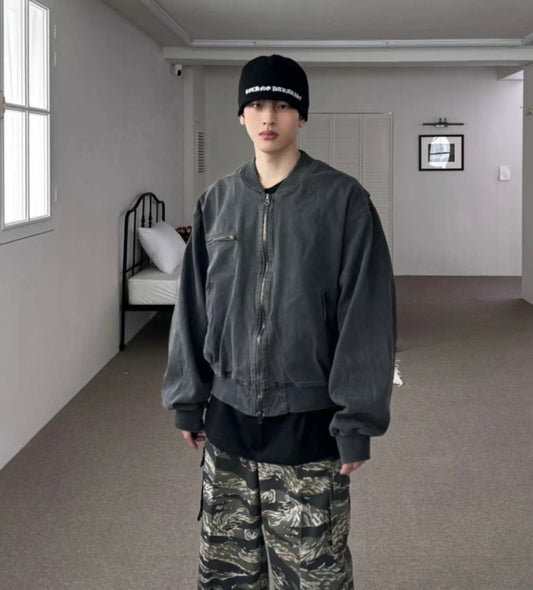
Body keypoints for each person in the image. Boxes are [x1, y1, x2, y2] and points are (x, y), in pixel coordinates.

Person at [162, 54, 397, 590]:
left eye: (283, 105)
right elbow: (194, 306)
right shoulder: (217, 202)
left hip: (308, 428)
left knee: (313, 576)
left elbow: (367, 317)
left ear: (301, 115)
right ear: (241, 115)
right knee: (227, 576)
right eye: (257, 104)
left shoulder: (343, 200)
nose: (269, 116)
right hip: (227, 424)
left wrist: (356, 423)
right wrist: (188, 398)